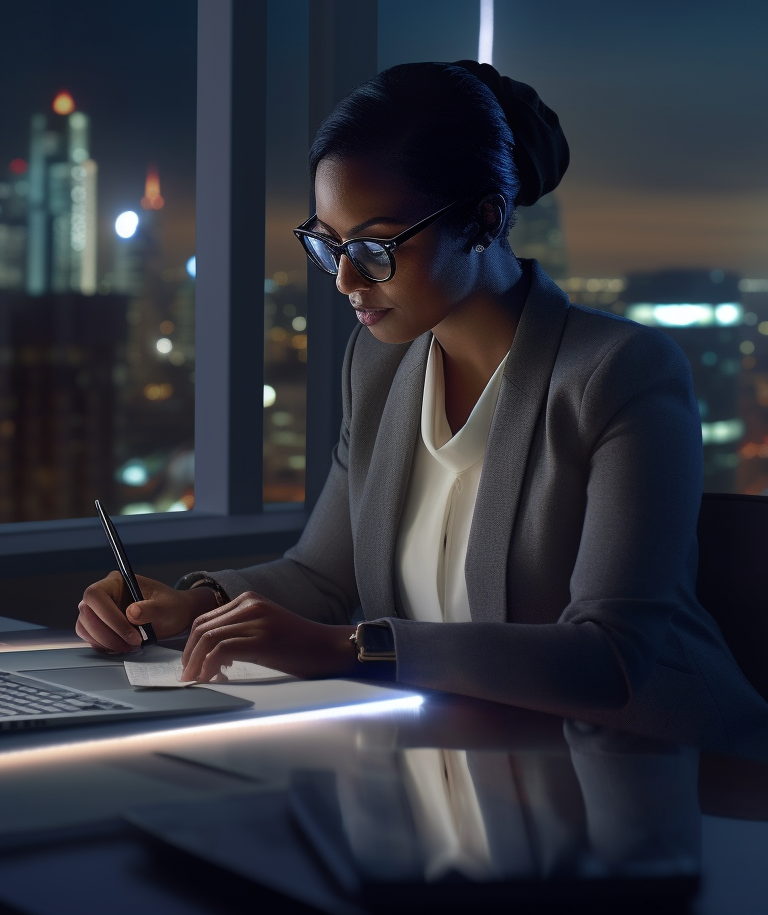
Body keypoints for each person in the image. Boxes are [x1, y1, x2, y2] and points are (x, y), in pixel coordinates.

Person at [77, 60, 768, 756]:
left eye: (377, 246)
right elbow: (322, 576)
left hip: (671, 784)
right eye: (330, 244)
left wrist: (353, 650)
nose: (346, 279)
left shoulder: (618, 374)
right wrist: (190, 607)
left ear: (483, 219)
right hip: (468, 766)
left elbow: (611, 658)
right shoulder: (379, 365)